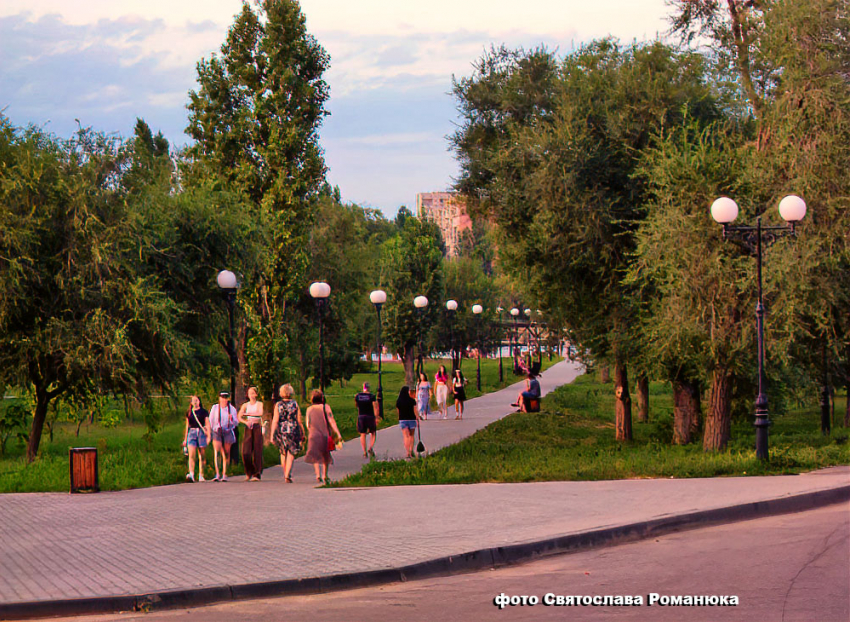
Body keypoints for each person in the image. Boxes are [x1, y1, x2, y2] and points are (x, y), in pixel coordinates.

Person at [304, 390, 342, 484]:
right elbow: (331, 421)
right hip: (325, 435)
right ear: (322, 398)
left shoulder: (309, 409)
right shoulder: (326, 407)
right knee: (325, 455)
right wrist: (338, 433)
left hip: (313, 435)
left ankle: (318, 475)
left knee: (315, 456)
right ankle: (325, 475)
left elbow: (307, 423)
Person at [269, 383, 304, 483]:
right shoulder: (294, 404)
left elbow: (275, 420)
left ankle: (285, 472)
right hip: (293, 429)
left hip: (281, 429)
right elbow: (299, 420)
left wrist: (272, 434)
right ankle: (287, 473)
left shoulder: (278, 405)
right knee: (291, 452)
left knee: (283, 452)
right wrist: (302, 432)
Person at [237, 386, 265, 481]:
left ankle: (257, 473)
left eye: (253, 393)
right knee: (246, 451)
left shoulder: (259, 404)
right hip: (249, 427)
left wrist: (247, 415)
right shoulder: (245, 405)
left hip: (257, 427)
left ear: (256, 394)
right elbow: (239, 416)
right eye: (250, 393)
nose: (251, 395)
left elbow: (260, 413)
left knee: (257, 450)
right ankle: (249, 471)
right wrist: (245, 421)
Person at [209, 392, 238, 482]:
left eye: (226, 398)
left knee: (226, 452)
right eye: (222, 397)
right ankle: (217, 473)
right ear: (219, 398)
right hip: (217, 430)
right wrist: (211, 431)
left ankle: (224, 473)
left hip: (227, 430)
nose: (224, 400)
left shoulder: (231, 409)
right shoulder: (215, 408)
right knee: (217, 451)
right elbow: (211, 420)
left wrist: (232, 418)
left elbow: (236, 423)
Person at [182, 395, 210, 482]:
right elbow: (187, 426)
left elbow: (207, 424)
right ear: (191, 402)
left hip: (201, 432)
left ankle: (201, 474)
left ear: (199, 401)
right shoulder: (189, 412)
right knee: (191, 455)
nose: (195, 402)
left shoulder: (204, 412)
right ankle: (191, 473)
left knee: (202, 455)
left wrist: (208, 436)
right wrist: (185, 439)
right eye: (193, 400)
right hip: (192, 433)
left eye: (196, 400)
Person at [354, 382, 380, 458]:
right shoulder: (371, 396)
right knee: (373, 433)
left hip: (361, 416)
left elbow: (356, 405)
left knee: (362, 434)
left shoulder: (358, 396)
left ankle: (364, 451)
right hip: (370, 416)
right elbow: (375, 407)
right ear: (369, 388)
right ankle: (370, 447)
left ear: (363, 387)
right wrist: (377, 417)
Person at [396, 386, 420, 459]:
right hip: (411, 419)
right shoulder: (412, 401)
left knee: (405, 436)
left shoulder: (399, 401)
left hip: (403, 419)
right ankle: (411, 450)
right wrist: (418, 418)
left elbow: (398, 411)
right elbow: (415, 411)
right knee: (411, 436)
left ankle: (407, 452)